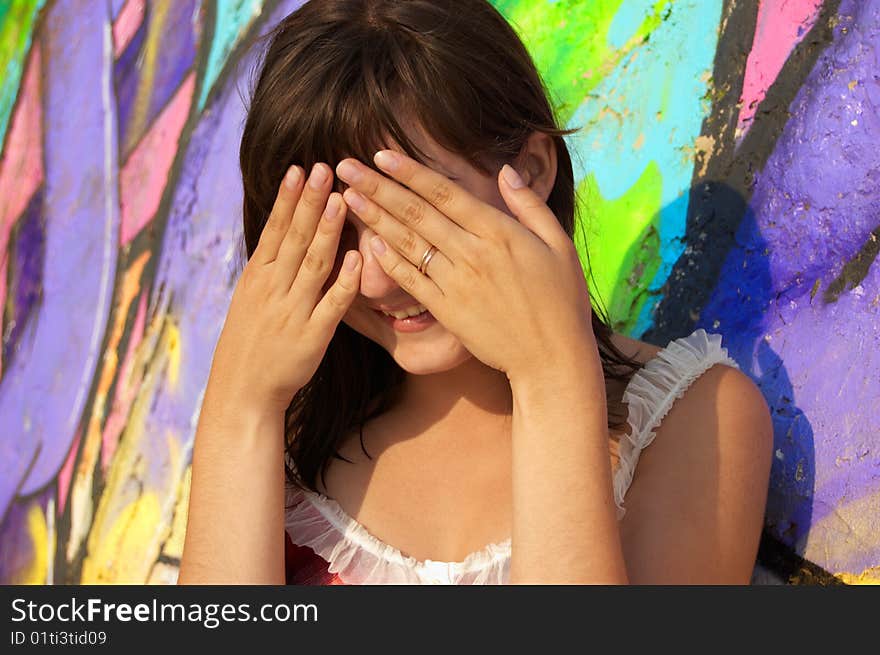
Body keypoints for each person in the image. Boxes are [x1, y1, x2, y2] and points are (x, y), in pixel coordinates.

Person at [178, 0, 773, 585]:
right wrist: (240, 409)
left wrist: (552, 379)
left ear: (532, 170)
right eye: (337, 230)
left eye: (407, 215)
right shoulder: (285, 444)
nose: (380, 277)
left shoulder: (693, 421)